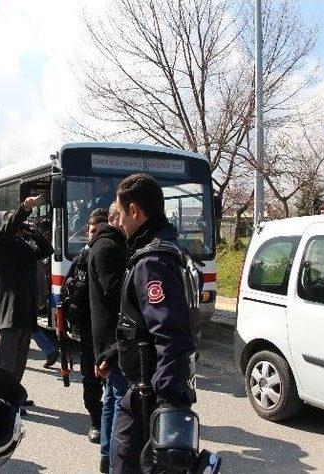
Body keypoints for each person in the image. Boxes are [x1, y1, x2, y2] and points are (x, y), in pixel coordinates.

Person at [111, 174, 197, 473]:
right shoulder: (165, 250)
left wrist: (165, 404)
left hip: (148, 397)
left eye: (120, 214)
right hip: (146, 390)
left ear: (135, 211)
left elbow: (170, 334)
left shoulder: (152, 262)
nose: (118, 222)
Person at [0, 196, 53, 391]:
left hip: (25, 312)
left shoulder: (24, 246)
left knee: (19, 363)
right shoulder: (1, 242)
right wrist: (25, 208)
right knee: (7, 363)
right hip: (9, 312)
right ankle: (3, 397)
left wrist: (33, 232)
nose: (21, 228)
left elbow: (46, 250)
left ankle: (13, 397)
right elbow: (9, 227)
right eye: (19, 225)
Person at [87, 203, 129, 473]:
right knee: (120, 399)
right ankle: (113, 457)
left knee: (113, 397)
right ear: (115, 219)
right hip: (115, 337)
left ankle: (107, 454)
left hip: (109, 338)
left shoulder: (106, 246)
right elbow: (115, 293)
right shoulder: (107, 248)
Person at [60, 210, 106, 446]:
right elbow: (68, 290)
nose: (95, 235)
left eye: (100, 230)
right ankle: (96, 421)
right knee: (91, 378)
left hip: (111, 331)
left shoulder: (114, 254)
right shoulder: (81, 258)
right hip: (88, 330)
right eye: (92, 231)